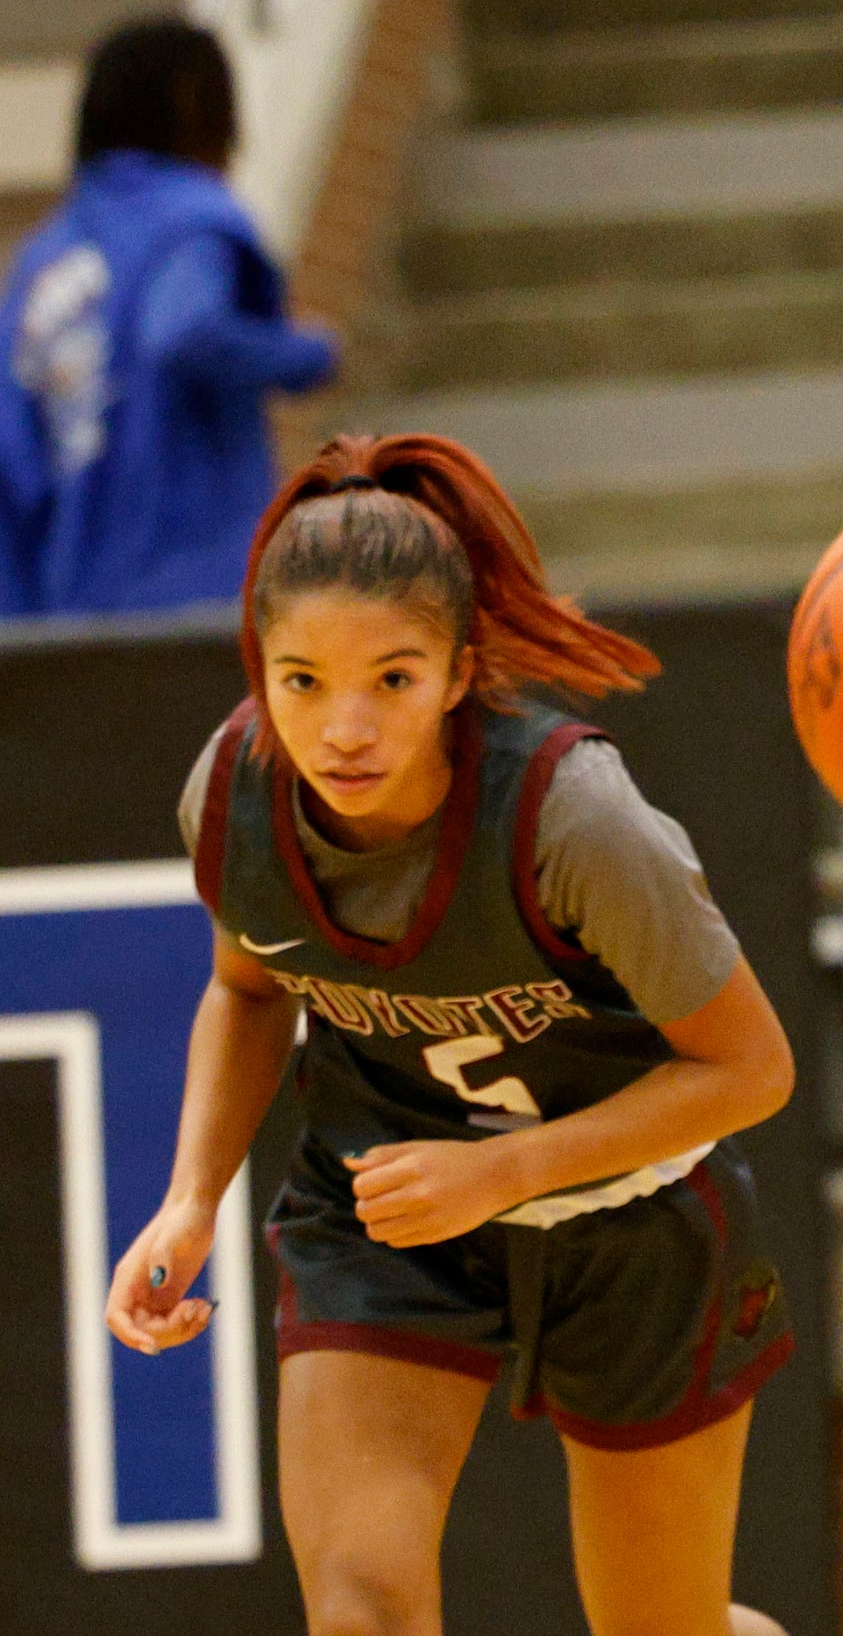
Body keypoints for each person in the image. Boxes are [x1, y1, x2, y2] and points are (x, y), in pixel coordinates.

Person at [103, 433, 795, 1636]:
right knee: (360, 1612)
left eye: (393, 678)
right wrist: (189, 1197)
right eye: (301, 680)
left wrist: (504, 1171)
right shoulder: (232, 793)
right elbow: (251, 991)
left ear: (462, 671)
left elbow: (751, 1071)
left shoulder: (575, 818)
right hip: (385, 1212)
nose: (344, 729)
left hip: (634, 1219)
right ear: (258, 669)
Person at [2, 16, 335, 615]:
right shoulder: (189, 218)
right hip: (201, 607)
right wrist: (306, 352)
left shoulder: (41, 265)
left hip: (68, 625)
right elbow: (186, 330)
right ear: (204, 116)